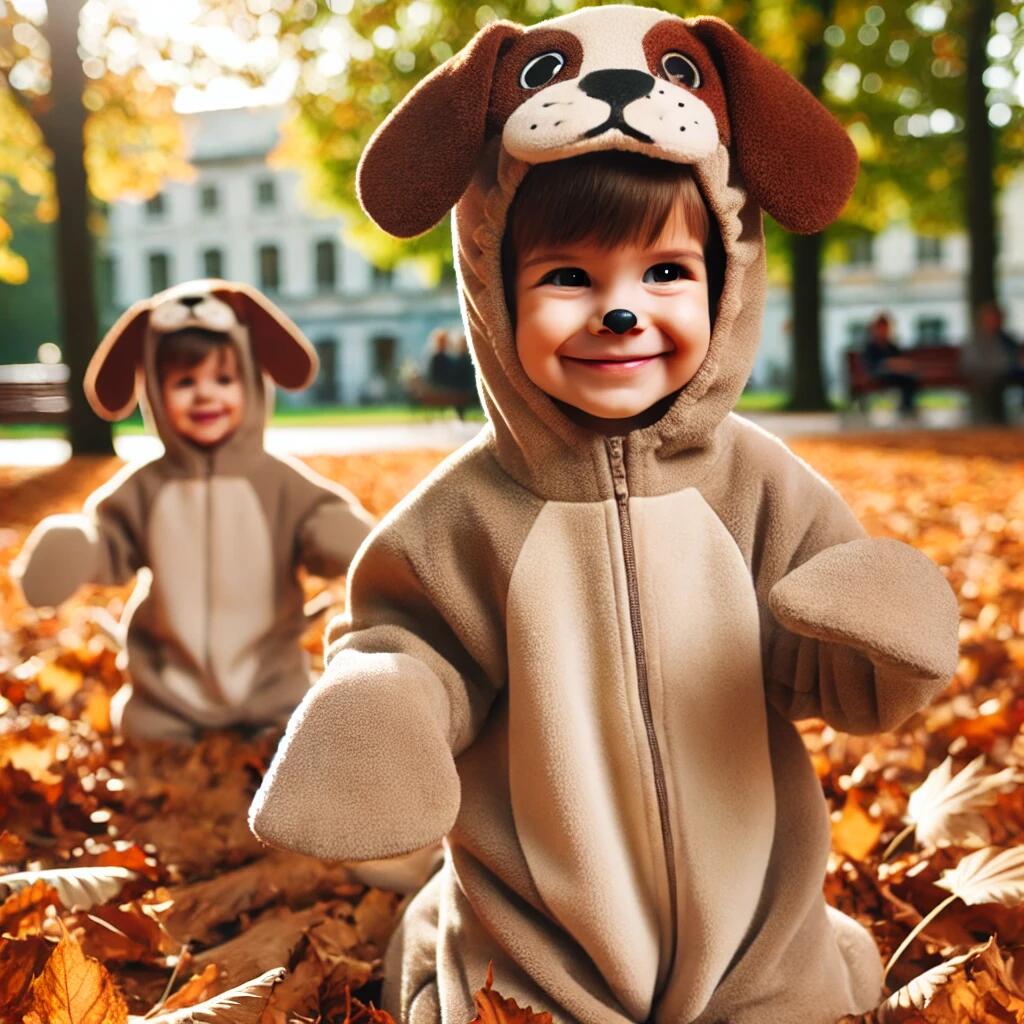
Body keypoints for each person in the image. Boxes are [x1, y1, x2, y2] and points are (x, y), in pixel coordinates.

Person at [249, 8, 959, 1023]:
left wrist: (878, 636)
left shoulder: (761, 489)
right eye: (569, 277)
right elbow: (409, 641)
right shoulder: (464, 514)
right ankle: (445, 940)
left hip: (754, 921)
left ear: (724, 279)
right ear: (495, 291)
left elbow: (820, 672)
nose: (620, 310)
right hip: (538, 933)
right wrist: (390, 695)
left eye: (667, 272)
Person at [14, 280, 376, 742]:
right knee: (148, 728)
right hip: (168, 686)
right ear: (154, 393)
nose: (206, 395)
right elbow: (112, 542)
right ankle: (168, 727)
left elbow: (317, 527)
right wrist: (80, 547)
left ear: (250, 379)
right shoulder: (146, 487)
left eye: (223, 380)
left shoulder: (279, 482)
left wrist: (333, 533)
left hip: (271, 679)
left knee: (294, 728)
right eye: (185, 383)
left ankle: (275, 729)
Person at [862, 312, 919, 417]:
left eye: (886, 328)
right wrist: (890, 364)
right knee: (902, 377)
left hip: (893, 373)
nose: (884, 331)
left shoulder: (891, 345)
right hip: (878, 374)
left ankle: (907, 407)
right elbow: (874, 364)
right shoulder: (871, 346)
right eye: (882, 328)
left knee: (910, 378)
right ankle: (906, 407)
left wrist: (900, 365)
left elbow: (899, 359)